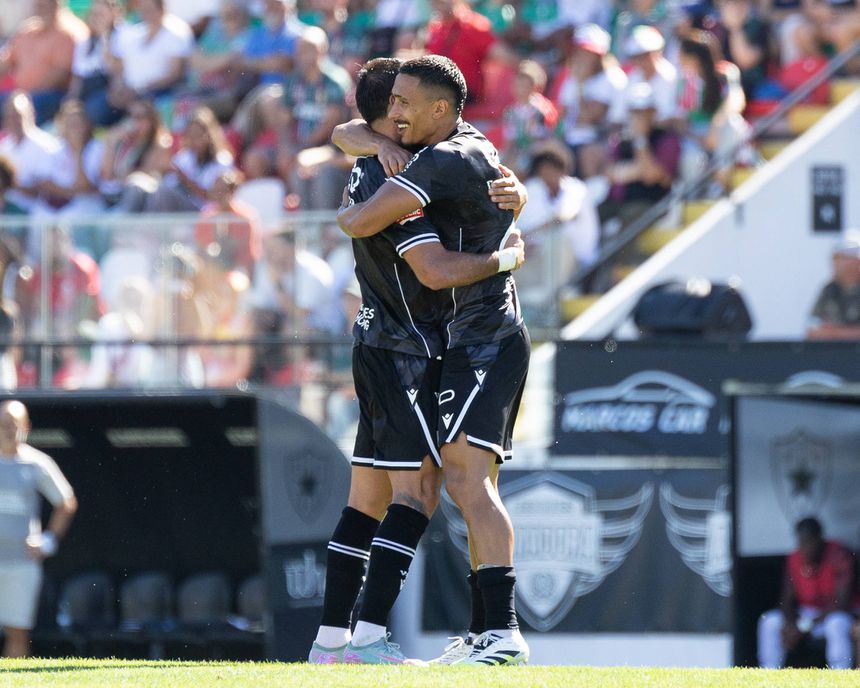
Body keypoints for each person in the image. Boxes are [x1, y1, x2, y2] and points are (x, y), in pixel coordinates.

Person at [310, 56, 526, 665]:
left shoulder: (435, 160)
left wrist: (515, 216)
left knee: (403, 493)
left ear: (436, 110)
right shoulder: (404, 165)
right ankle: (376, 638)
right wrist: (508, 249)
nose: (399, 114)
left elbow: (355, 189)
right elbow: (425, 264)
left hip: (451, 340)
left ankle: (337, 642)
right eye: (394, 104)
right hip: (412, 347)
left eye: (409, 104)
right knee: (421, 492)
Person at [0, 400, 77, 657]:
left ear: (26, 427)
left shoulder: (38, 463)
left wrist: (48, 541)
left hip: (22, 563)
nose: (8, 430)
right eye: (3, 424)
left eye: (14, 424)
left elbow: (66, 502)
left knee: (17, 630)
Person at [757, 517, 856, 669]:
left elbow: (841, 603)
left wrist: (804, 627)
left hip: (835, 614)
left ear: (820, 539)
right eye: (802, 541)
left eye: (810, 541)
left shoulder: (838, 555)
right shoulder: (795, 557)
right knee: (769, 622)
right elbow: (786, 600)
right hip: (807, 614)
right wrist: (791, 623)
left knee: (837, 624)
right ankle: (769, 676)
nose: (805, 547)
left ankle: (841, 677)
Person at [0, 0, 89, 124]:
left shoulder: (69, 32)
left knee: (25, 107)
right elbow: (6, 63)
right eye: (38, 5)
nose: (41, 9)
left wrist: (24, 94)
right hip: (23, 95)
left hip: (52, 95)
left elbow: (60, 74)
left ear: (57, 4)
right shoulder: (28, 31)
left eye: (46, 4)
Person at [807, 232, 860, 340]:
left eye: (843, 258)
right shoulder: (829, 290)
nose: (836, 263)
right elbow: (812, 329)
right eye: (835, 258)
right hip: (834, 355)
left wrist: (836, 332)